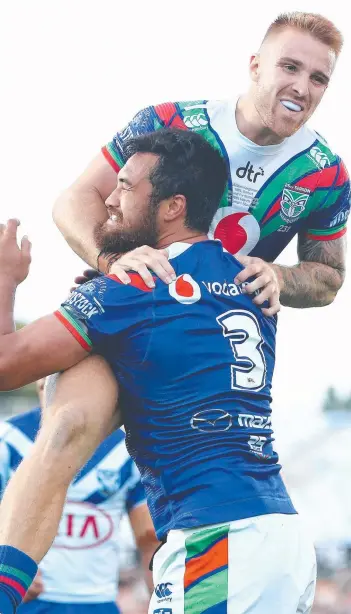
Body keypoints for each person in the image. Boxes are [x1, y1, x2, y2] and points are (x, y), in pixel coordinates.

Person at [0, 128, 316, 614]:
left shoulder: (139, 286)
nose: (109, 199)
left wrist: (5, 280)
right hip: (278, 536)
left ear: (172, 206)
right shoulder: (250, 280)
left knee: (64, 423)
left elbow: (6, 365)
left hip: (217, 540)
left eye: (125, 187)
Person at [53, 11, 350, 317]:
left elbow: (328, 278)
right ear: (256, 66)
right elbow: (74, 198)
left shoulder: (326, 173)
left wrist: (279, 276)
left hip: (219, 336)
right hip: (132, 309)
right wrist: (111, 260)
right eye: (289, 67)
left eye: (318, 79)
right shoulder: (169, 121)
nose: (301, 88)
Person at [0, 380, 158, 614]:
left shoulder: (125, 449)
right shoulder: (9, 439)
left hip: (96, 602)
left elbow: (148, 538)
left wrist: (160, 601)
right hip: (24, 600)